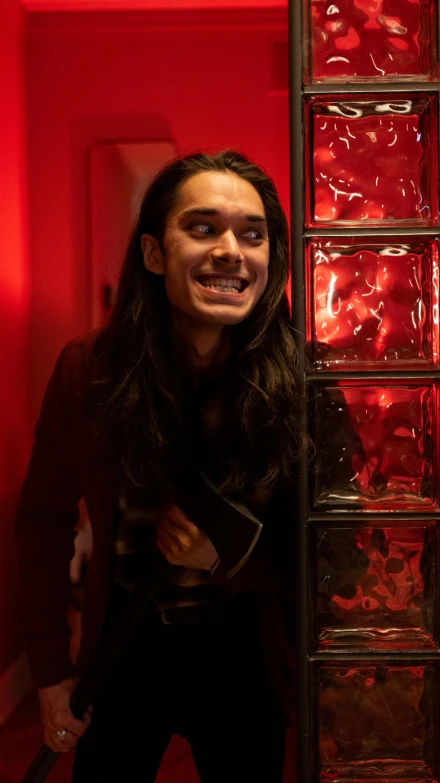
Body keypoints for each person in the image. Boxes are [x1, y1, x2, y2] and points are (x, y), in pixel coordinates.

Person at [15, 151, 302, 783]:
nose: (232, 250)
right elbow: (42, 520)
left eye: (253, 235)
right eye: (203, 228)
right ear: (153, 253)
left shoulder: (304, 381)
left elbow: (339, 556)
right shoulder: (89, 369)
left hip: (244, 655)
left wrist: (229, 560)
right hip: (122, 648)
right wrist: (48, 672)